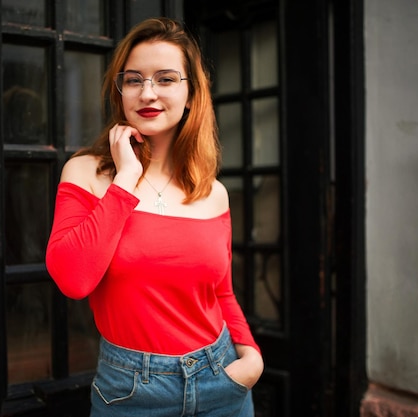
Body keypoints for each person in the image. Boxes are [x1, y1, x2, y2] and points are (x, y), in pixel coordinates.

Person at [45, 17, 263, 417]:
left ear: (191, 94)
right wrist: (126, 179)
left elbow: (221, 293)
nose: (148, 93)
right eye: (133, 80)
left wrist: (251, 358)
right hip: (130, 392)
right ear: (120, 91)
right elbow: (73, 280)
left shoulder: (212, 192)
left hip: (222, 380)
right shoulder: (87, 174)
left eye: (165, 79)